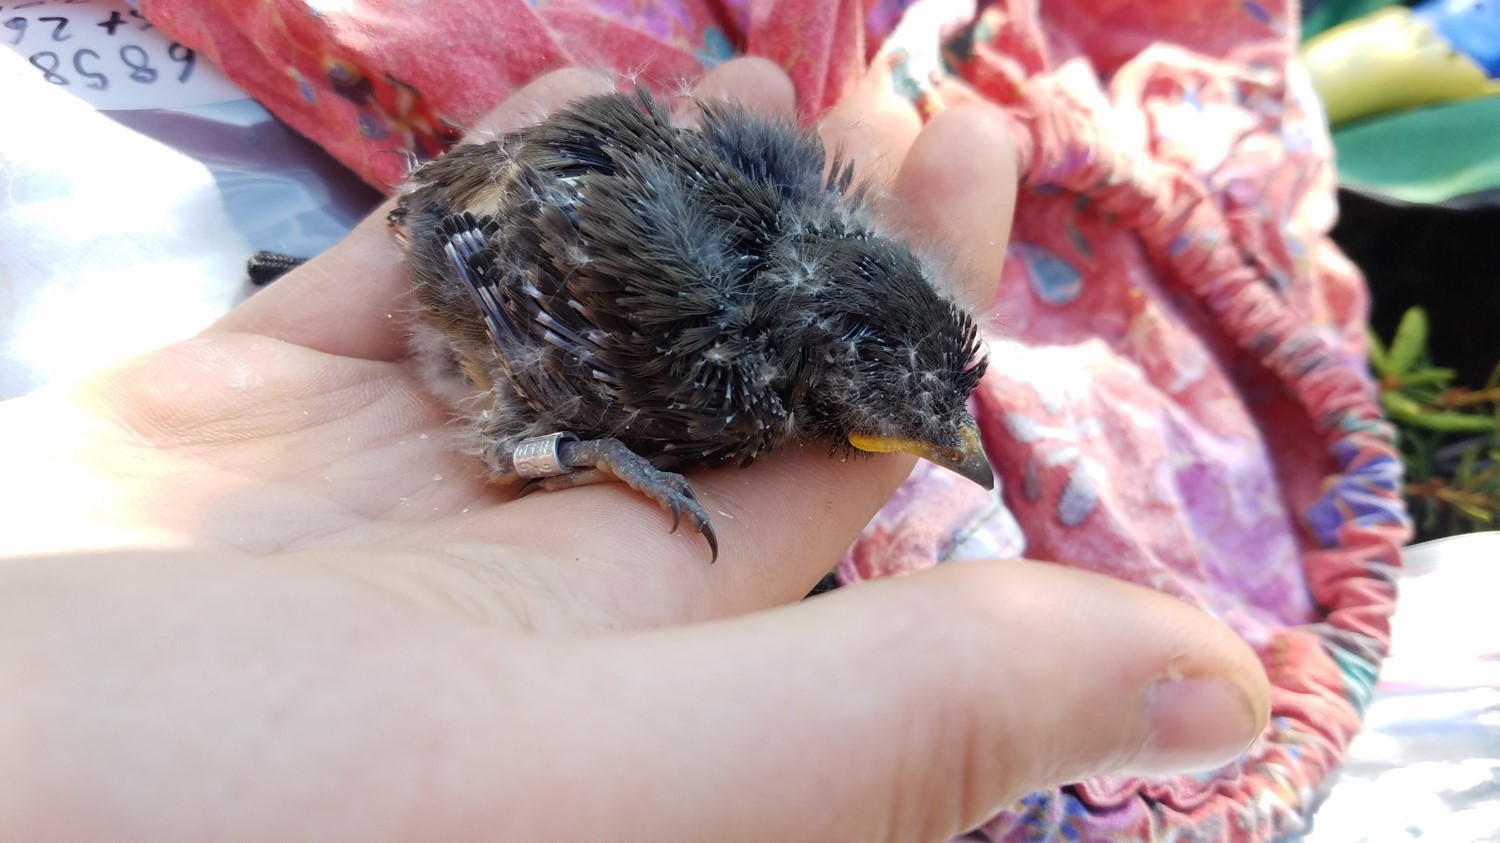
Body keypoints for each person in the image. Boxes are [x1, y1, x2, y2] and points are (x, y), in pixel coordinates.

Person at [0, 59, 1269, 841]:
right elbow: (478, 250)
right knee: (575, 422)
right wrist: (574, 445)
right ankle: (562, 443)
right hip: (481, 265)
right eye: (919, 432)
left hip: (561, 199)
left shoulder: (818, 295)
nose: (942, 456)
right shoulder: (707, 375)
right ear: (809, 383)